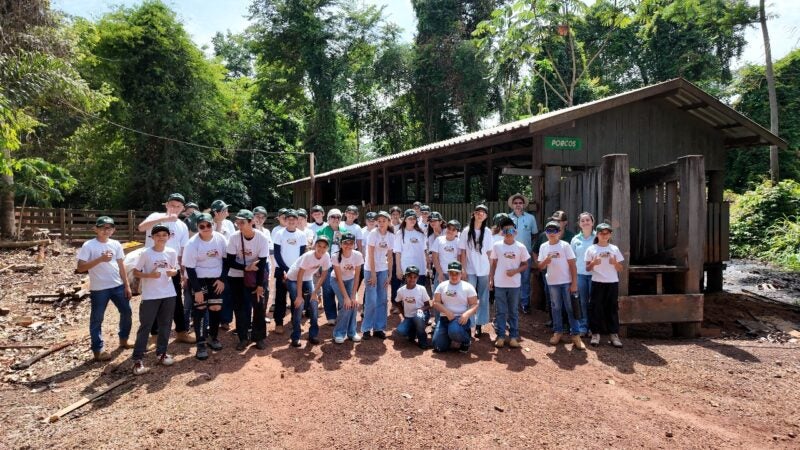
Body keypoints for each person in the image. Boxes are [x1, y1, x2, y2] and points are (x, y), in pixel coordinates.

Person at [137, 193, 194, 346]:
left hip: (171, 268)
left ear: (183, 209)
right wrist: (165, 219)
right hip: (151, 267)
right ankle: (154, 334)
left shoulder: (182, 226)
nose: (174, 208)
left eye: (178, 206)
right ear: (166, 205)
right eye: (172, 205)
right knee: (152, 299)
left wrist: (184, 273)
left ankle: (181, 331)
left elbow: (182, 251)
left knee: (175, 300)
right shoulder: (156, 216)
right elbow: (141, 227)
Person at [77, 216, 133, 362]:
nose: (106, 230)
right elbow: (80, 267)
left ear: (113, 230)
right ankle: (98, 349)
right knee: (97, 319)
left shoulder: (116, 244)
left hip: (117, 286)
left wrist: (127, 285)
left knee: (127, 312)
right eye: (102, 227)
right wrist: (100, 260)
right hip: (99, 288)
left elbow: (121, 265)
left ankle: (124, 339)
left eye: (109, 228)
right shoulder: (88, 245)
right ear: (96, 229)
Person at [131, 224, 179, 375]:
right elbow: (136, 272)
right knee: (146, 326)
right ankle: (137, 360)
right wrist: (149, 276)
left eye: (164, 235)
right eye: (158, 235)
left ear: (169, 237)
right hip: (151, 295)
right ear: (152, 237)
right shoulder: (146, 253)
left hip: (169, 293)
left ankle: (162, 353)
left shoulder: (171, 252)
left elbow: (175, 269)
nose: (161, 238)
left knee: (165, 325)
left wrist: (174, 272)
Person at [183, 213, 228, 360]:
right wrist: (196, 290)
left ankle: (213, 337)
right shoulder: (192, 243)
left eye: (208, 225)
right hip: (198, 279)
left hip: (216, 279)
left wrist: (222, 279)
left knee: (215, 308)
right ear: (197, 227)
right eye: (202, 226)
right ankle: (201, 343)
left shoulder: (220, 239)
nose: (206, 228)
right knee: (200, 308)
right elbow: (189, 268)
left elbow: (227, 260)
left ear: (212, 225)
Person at [225, 209, 269, 351]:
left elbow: (262, 264)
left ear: (251, 222)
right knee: (240, 307)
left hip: (256, 276)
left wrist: (260, 285)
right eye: (237, 222)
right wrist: (246, 268)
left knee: (258, 306)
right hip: (237, 276)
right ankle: (243, 338)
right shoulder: (234, 237)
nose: (239, 225)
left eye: (242, 222)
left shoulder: (261, 238)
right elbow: (230, 261)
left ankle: (259, 337)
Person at [537, 220, 584, 350]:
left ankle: (575, 335)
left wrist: (574, 283)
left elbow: (573, 265)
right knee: (556, 308)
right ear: (545, 233)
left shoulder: (565, 246)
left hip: (567, 282)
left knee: (571, 308)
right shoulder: (544, 247)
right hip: (552, 282)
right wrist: (546, 261)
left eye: (554, 231)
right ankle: (558, 332)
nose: (551, 233)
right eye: (549, 231)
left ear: (559, 232)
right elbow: (540, 266)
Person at [489, 217, 529, 348]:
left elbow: (525, 265)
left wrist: (516, 271)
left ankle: (513, 337)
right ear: (502, 233)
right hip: (500, 283)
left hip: (514, 284)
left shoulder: (521, 247)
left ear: (515, 232)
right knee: (500, 311)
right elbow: (493, 263)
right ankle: (500, 336)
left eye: (511, 230)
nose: (509, 233)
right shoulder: (497, 246)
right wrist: (491, 279)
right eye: (506, 231)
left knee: (513, 311)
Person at [286, 236, 332, 347]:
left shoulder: (326, 256)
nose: (321, 249)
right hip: (293, 278)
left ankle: (313, 335)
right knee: (300, 305)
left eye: (324, 247)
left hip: (308, 278)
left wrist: (315, 292)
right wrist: (299, 296)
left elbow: (324, 274)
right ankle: (296, 336)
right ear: (315, 246)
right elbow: (300, 275)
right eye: (319, 246)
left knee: (314, 303)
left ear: (327, 248)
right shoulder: (308, 256)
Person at [585, 223, 625, 348]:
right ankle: (595, 334)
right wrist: (593, 263)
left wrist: (614, 263)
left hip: (612, 282)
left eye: (607, 233)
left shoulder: (614, 249)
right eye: (601, 233)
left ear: (610, 235)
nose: (604, 235)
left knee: (612, 308)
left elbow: (620, 269)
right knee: (595, 308)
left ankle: (614, 335)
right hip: (597, 281)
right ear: (597, 234)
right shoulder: (592, 249)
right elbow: (587, 268)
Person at [458, 204, 493, 337]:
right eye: (478, 212)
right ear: (474, 214)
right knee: (469, 296)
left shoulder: (488, 232)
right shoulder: (466, 231)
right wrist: (463, 269)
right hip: (470, 269)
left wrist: (490, 273)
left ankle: (480, 324)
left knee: (483, 297)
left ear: (486, 216)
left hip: (484, 269)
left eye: (483, 213)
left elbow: (489, 253)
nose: (480, 214)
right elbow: (463, 252)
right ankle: (469, 322)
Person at [432, 261, 479, 353]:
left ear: (461, 273)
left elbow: (475, 304)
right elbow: (435, 302)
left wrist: (466, 314)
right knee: (438, 346)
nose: (454, 276)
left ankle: (466, 340)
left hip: (460, 319)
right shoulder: (442, 286)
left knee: (454, 330)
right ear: (448, 273)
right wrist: (447, 312)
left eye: (456, 273)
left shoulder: (468, 287)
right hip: (444, 319)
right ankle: (449, 336)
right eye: (451, 273)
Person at [273, 209, 307, 335]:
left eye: (294, 219)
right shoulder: (279, 234)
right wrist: (285, 270)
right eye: (289, 219)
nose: (291, 221)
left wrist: (294, 270)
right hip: (281, 270)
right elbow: (277, 254)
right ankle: (279, 322)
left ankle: (295, 321)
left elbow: (302, 254)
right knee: (280, 298)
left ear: (298, 221)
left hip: (297, 271)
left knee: (296, 297)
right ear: (285, 220)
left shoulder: (301, 235)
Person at [362, 211, 394, 339]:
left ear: (388, 222)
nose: (381, 223)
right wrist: (373, 274)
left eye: (383, 221)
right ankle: (366, 328)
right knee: (371, 300)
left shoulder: (391, 236)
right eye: (379, 221)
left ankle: (379, 328)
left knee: (382, 299)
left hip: (383, 269)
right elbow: (370, 255)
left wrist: (390, 274)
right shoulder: (372, 234)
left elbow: (390, 256)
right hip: (371, 269)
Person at [393, 209, 428, 316]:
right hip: (406, 268)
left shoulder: (421, 233)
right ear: (405, 219)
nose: (412, 220)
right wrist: (398, 268)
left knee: (420, 293)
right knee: (408, 294)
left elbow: (424, 251)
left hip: (420, 268)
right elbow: (397, 252)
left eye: (414, 218)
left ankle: (422, 317)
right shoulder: (400, 233)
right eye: (410, 218)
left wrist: (427, 267)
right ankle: (408, 316)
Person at [316, 208, 348, 324]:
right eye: (333, 217)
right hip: (326, 265)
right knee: (327, 289)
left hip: (341, 265)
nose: (336, 219)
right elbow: (318, 251)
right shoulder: (321, 232)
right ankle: (331, 316)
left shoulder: (345, 231)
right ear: (328, 219)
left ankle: (342, 313)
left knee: (341, 288)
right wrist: (318, 267)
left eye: (338, 217)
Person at [507, 194, 538, 314]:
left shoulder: (530, 218)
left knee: (525, 279)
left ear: (523, 205)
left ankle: (525, 304)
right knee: (512, 279)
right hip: (510, 254)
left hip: (526, 254)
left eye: (520, 203)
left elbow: (534, 234)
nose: (518, 205)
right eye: (516, 203)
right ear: (512, 205)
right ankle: (513, 304)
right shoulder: (507, 218)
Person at [331, 233, 364, 343]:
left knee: (353, 304)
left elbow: (357, 276)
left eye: (351, 243)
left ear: (354, 244)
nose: (348, 245)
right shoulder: (335, 256)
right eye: (345, 243)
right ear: (341, 244)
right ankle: (339, 333)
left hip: (351, 280)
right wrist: (346, 297)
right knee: (346, 305)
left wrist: (353, 295)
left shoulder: (358, 255)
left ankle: (352, 332)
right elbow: (339, 279)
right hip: (336, 280)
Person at [570, 212, 595, 336]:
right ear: (579, 224)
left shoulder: (598, 238)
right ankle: (583, 327)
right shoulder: (575, 240)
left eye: (588, 220)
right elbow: (571, 259)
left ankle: (593, 328)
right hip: (580, 274)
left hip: (596, 275)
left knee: (594, 301)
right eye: (583, 221)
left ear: (592, 222)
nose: (585, 222)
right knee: (582, 302)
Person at [394, 265, 431, 349]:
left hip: (421, 315)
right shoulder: (401, 290)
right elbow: (398, 302)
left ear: (417, 278)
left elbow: (429, 305)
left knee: (418, 318)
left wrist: (421, 309)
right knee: (401, 331)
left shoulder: (421, 289)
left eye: (415, 277)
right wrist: (404, 314)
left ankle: (423, 341)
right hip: (409, 317)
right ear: (405, 277)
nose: (412, 279)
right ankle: (413, 332)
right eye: (410, 277)